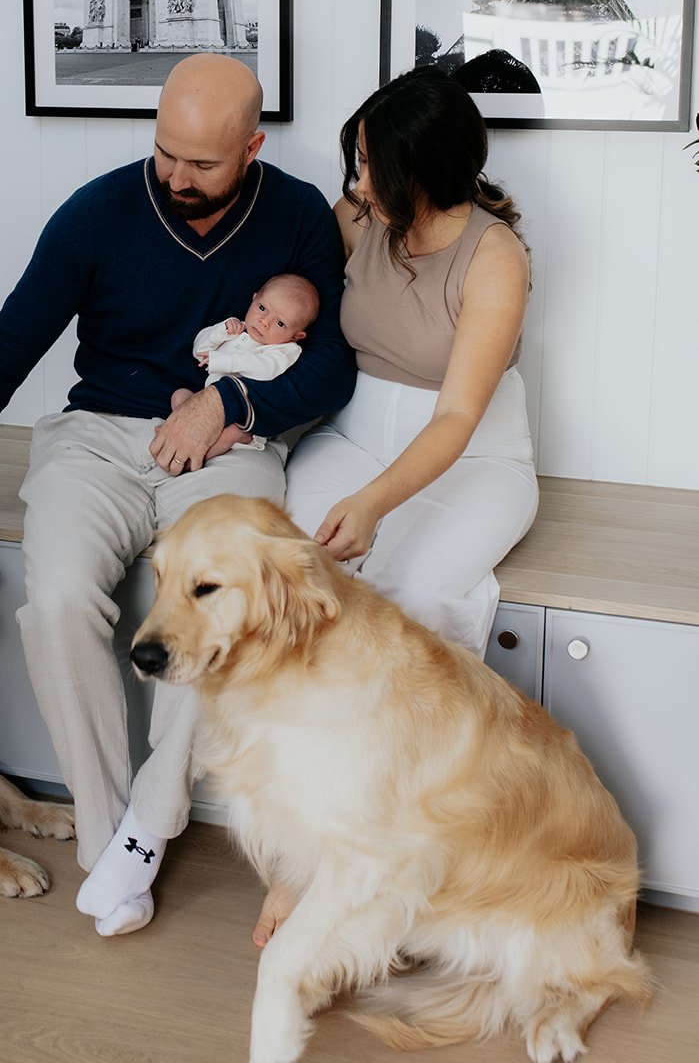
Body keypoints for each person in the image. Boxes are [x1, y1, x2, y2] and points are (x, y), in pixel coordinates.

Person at [0, 54, 357, 938]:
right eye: (165, 152)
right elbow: (5, 345)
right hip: (95, 438)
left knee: (220, 611)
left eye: (202, 163)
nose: (176, 177)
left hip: (226, 448)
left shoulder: (297, 215)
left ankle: (147, 829)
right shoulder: (97, 211)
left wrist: (228, 401)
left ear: (251, 146)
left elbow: (329, 367)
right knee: (53, 603)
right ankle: (105, 829)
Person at [251, 67, 537, 951]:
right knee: (300, 587)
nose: (355, 183)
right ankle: (313, 842)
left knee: (412, 603)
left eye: (370, 166)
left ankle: (396, 849)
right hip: (353, 432)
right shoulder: (359, 220)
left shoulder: (495, 258)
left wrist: (372, 503)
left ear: (423, 172)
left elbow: (456, 417)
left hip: (470, 458)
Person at [171, 273, 321, 456]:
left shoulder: (284, 350)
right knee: (180, 397)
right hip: (207, 404)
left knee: (230, 431)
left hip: (241, 414)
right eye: (262, 308)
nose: (264, 322)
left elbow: (264, 369)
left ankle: (225, 443)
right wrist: (221, 332)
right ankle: (177, 433)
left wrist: (223, 361)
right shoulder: (238, 329)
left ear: (296, 336)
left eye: (280, 323)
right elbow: (199, 351)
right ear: (254, 298)